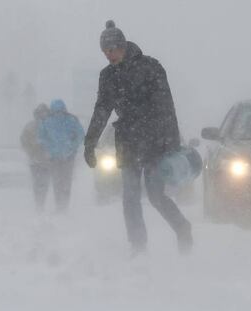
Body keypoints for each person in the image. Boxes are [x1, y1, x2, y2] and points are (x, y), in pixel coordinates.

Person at [84, 20, 193, 255]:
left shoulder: (151, 67)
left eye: (112, 50)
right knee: (130, 197)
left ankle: (183, 228)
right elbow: (101, 110)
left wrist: (172, 142)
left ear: (123, 46)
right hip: (128, 142)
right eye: (105, 52)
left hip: (155, 141)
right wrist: (90, 142)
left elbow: (167, 107)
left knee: (156, 196)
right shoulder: (108, 76)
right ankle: (138, 245)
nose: (109, 55)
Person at [39, 99, 85, 212]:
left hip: (54, 157)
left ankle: (59, 205)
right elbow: (80, 135)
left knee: (57, 182)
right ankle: (64, 205)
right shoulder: (72, 120)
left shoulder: (46, 121)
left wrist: (49, 148)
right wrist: (72, 147)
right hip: (68, 157)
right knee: (66, 182)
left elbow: (41, 138)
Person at [20, 103, 51, 211]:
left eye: (45, 112)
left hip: (43, 160)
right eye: (41, 112)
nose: (43, 114)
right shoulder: (32, 126)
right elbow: (24, 141)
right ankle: (39, 203)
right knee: (38, 183)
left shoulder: (32, 126)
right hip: (37, 159)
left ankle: (40, 202)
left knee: (43, 183)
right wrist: (31, 150)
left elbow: (23, 141)